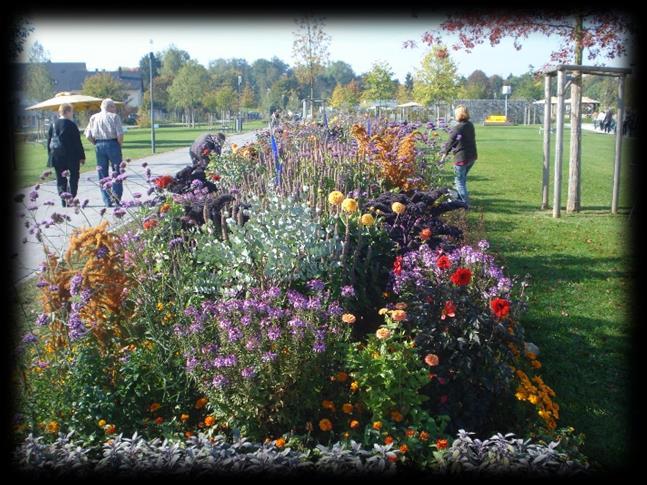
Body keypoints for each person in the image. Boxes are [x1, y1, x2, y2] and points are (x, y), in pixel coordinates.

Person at [84, 98, 124, 207]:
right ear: (110, 107)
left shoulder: (93, 118)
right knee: (117, 171)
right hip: (112, 143)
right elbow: (120, 134)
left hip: (99, 144)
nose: (115, 109)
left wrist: (95, 143)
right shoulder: (114, 117)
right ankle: (116, 198)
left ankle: (107, 200)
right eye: (114, 107)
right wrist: (119, 144)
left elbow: (87, 135)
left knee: (102, 173)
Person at [47, 103, 85, 207]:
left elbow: (49, 141)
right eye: (72, 111)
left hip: (57, 156)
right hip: (71, 156)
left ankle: (63, 198)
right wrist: (82, 156)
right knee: (74, 176)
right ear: (68, 112)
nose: (72, 114)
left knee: (60, 178)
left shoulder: (53, 124)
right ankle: (71, 196)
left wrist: (50, 156)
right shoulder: (71, 125)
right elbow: (77, 142)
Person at [440, 105, 478, 206]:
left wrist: (444, 155)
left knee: (459, 181)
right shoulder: (470, 125)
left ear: (459, 114)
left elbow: (450, 142)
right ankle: (458, 200)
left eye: (455, 113)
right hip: (472, 157)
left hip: (462, 157)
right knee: (462, 179)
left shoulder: (458, 128)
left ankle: (465, 204)